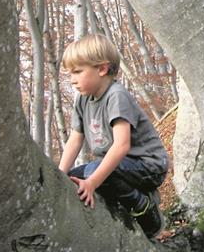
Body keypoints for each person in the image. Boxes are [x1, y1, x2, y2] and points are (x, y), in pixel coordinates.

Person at [58, 34, 169, 239]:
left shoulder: (115, 95)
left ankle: (146, 211)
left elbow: (121, 146)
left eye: (77, 72)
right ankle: (120, 211)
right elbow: (75, 139)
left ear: (101, 69)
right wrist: (60, 175)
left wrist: (92, 182)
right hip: (122, 166)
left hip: (148, 165)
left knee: (93, 172)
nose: (72, 80)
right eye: (69, 73)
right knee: (76, 176)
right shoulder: (82, 100)